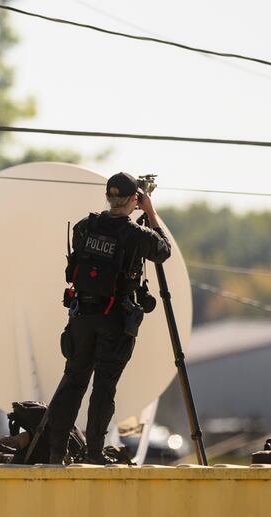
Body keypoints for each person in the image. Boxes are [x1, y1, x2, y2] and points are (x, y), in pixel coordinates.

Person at [48, 171, 171, 465]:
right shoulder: (135, 234)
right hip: (113, 320)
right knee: (104, 387)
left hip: (81, 316)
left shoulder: (84, 227)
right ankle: (93, 454)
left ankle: (56, 452)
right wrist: (151, 213)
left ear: (108, 197)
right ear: (133, 200)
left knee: (73, 381)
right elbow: (163, 251)